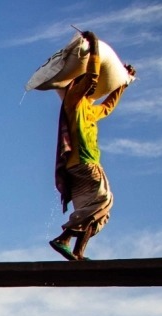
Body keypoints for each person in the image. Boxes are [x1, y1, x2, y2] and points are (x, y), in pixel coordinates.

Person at [49, 32, 135, 262]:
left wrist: (123, 84)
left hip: (76, 168)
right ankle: (64, 238)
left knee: (95, 212)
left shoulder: (88, 109)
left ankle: (78, 251)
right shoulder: (74, 101)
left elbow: (107, 107)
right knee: (104, 200)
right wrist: (95, 46)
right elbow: (92, 77)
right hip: (85, 164)